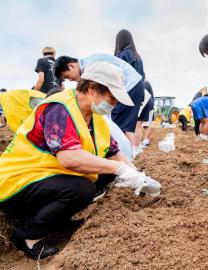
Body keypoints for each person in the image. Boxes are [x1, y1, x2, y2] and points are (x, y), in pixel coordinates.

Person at [0, 62, 161, 260]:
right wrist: (120, 169)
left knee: (102, 176)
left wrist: (138, 176)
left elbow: (113, 152)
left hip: (46, 176)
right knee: (82, 189)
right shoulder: (59, 108)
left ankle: (57, 220)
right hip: (16, 181)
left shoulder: (95, 117)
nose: (115, 104)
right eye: (112, 97)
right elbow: (68, 158)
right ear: (93, 89)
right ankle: (28, 235)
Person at [54, 54, 142, 146]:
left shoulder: (91, 68)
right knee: (120, 124)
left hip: (129, 84)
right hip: (133, 83)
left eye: (67, 76)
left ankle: (124, 149)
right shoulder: (90, 65)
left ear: (71, 65)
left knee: (118, 125)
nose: (70, 80)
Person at [114, 29, 146, 158]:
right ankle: (130, 153)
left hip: (127, 90)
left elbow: (117, 75)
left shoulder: (123, 54)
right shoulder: (137, 56)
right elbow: (143, 76)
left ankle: (122, 154)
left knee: (118, 123)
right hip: (138, 91)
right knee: (129, 124)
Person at [139, 80, 155, 148]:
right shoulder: (145, 83)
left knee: (147, 125)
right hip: (146, 106)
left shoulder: (145, 83)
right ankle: (144, 141)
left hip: (147, 106)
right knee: (145, 125)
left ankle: (146, 141)